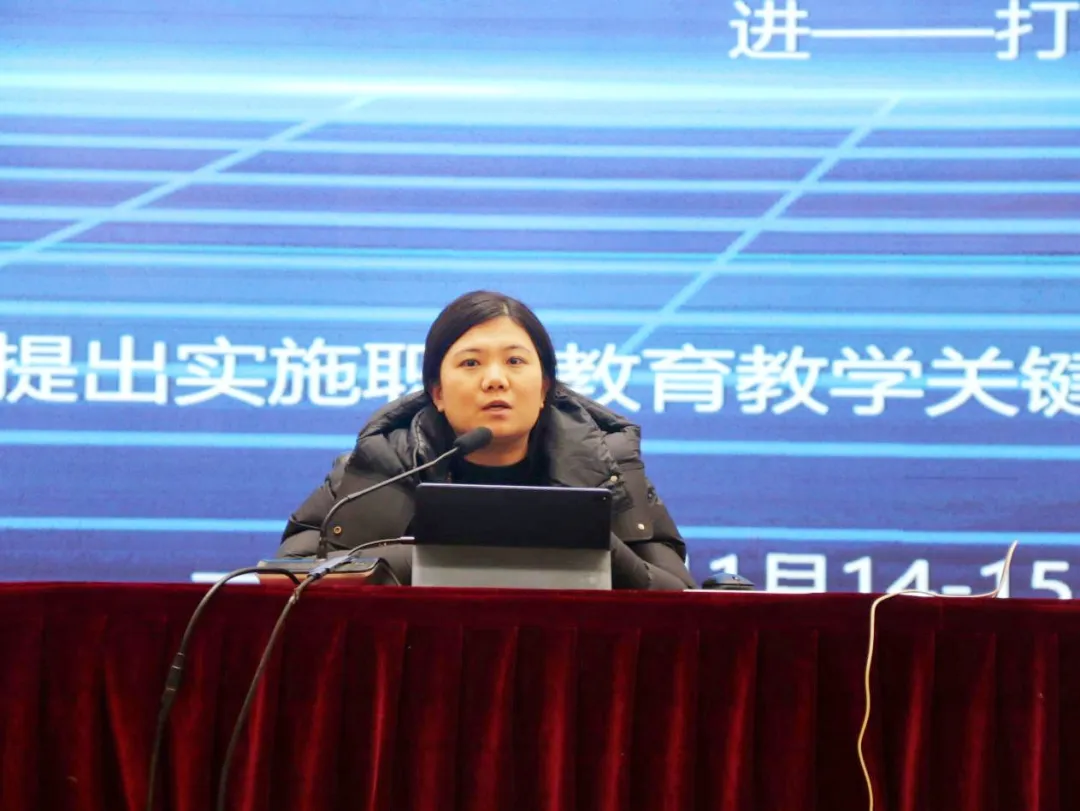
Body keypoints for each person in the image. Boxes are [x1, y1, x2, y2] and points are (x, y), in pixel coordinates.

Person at [276, 290, 697, 590]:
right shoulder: (378, 463)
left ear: (544, 387)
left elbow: (677, 593)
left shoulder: (608, 467)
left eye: (514, 361)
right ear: (437, 393)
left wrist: (593, 547)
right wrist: (412, 559)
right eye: (471, 363)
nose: (495, 379)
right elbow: (284, 572)